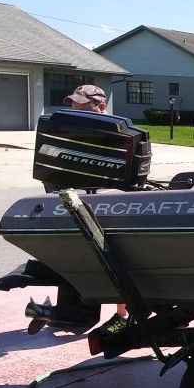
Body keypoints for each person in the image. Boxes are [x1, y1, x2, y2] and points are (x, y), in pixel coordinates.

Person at [62, 84, 129, 332]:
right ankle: (80, 311)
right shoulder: (70, 131)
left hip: (110, 202)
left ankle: (122, 314)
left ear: (100, 107)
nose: (74, 114)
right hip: (78, 198)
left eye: (82, 108)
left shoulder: (119, 131)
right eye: (72, 107)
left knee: (115, 255)